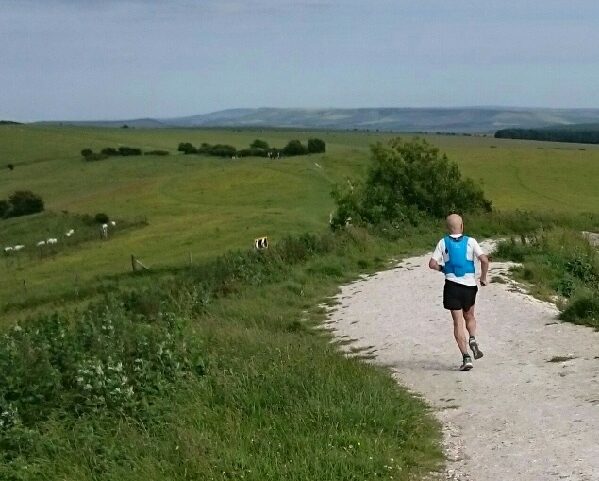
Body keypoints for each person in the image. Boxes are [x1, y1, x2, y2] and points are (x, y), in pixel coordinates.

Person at [429, 214, 489, 371]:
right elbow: (484, 260)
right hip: (469, 287)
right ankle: (473, 338)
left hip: (452, 286)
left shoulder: (443, 242)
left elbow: (432, 264)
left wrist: (443, 269)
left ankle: (466, 357)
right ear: (462, 226)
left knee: (457, 323)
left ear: (448, 228)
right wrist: (482, 277)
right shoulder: (471, 241)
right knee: (469, 316)